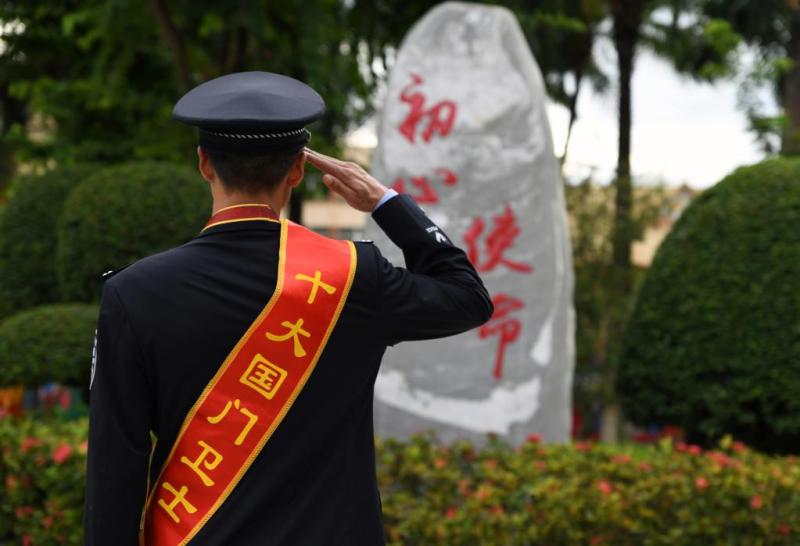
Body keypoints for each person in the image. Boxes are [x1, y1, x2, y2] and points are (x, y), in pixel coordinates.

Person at [84, 71, 492, 546]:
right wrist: (385, 202)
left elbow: (116, 470)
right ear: (298, 169)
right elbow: (467, 296)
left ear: (204, 163)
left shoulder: (134, 293)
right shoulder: (353, 277)